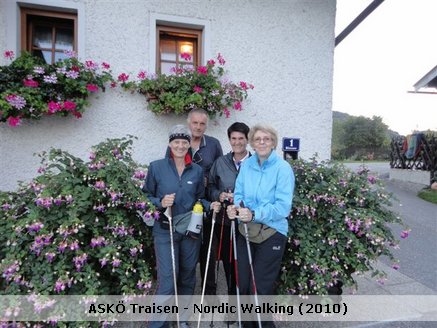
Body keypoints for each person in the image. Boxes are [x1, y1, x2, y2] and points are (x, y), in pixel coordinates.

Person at [144, 124, 221, 328]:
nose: (180, 146)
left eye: (184, 142)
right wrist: (160, 202)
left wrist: (209, 204)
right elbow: (144, 197)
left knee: (188, 277)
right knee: (168, 281)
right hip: (164, 230)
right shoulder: (156, 167)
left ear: (189, 145)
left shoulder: (196, 171)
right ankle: (158, 324)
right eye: (176, 142)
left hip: (190, 231)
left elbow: (200, 198)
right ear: (170, 144)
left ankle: (182, 319)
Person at [227, 124, 295, 328]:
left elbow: (283, 207)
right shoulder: (247, 165)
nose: (262, 142)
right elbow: (239, 194)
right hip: (245, 230)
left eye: (266, 139)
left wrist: (255, 213)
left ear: (273, 142)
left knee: (259, 289)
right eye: (258, 139)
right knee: (244, 285)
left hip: (272, 233)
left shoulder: (283, 168)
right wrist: (236, 209)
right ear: (252, 143)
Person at [207, 122, 251, 320]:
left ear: (247, 140)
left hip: (251, 224)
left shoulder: (256, 162)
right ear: (229, 140)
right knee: (230, 266)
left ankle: (249, 309)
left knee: (247, 267)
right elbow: (210, 188)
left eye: (241, 138)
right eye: (233, 138)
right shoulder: (220, 162)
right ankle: (233, 309)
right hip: (226, 222)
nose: (237, 142)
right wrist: (220, 195)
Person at [187, 108, 223, 295]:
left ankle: (208, 294)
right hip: (185, 204)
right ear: (189, 123)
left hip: (208, 202)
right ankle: (186, 294)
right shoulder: (179, 142)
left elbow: (221, 172)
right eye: (195, 123)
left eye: (202, 123)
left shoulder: (214, 144)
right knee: (187, 249)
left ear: (206, 126)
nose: (198, 127)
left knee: (208, 249)